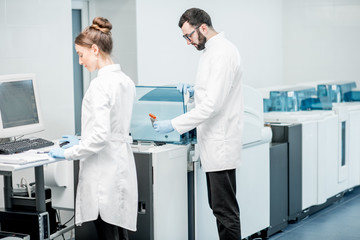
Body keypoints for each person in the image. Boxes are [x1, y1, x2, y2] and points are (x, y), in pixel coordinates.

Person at [153, 8, 243, 240]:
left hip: (220, 143)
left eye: (189, 36)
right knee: (220, 208)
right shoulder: (212, 52)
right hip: (214, 142)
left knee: (225, 211)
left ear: (202, 27)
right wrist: (194, 93)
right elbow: (211, 95)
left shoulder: (222, 52)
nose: (188, 42)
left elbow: (212, 106)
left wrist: (174, 124)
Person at [48, 17, 137, 240]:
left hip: (103, 174)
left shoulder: (100, 85)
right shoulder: (125, 81)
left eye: (81, 54)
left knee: (109, 233)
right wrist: (83, 138)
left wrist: (68, 152)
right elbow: (110, 128)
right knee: (118, 231)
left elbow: (99, 137)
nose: (80, 61)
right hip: (118, 166)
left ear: (95, 49)